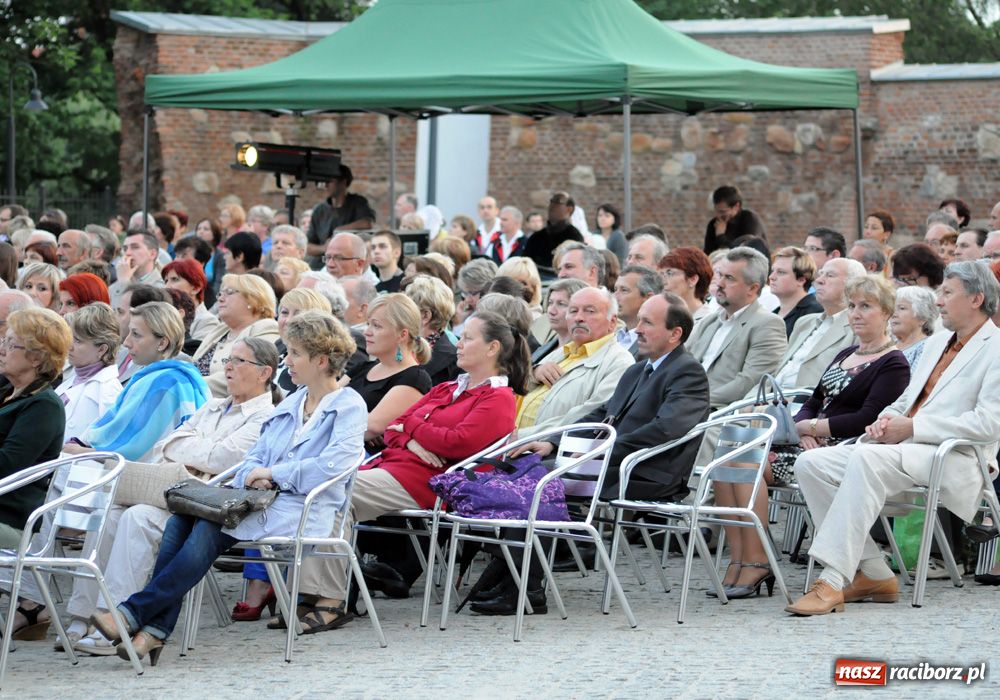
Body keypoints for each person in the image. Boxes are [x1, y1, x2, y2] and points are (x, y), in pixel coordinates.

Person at [92, 312, 366, 658]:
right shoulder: (293, 402)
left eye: (295, 353)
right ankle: (151, 630)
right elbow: (254, 457)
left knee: (209, 523)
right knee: (182, 519)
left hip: (306, 509)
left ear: (321, 360)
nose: (287, 361)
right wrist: (257, 472)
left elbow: (332, 466)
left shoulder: (348, 405)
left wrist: (274, 473)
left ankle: (135, 614)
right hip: (261, 501)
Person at [786, 261, 1000, 616]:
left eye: (947, 293)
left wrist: (912, 428)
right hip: (904, 449)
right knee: (811, 463)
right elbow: (906, 400)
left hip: (954, 457)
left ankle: (832, 579)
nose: (938, 300)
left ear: (976, 299)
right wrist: (885, 420)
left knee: (866, 458)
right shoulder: (937, 343)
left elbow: (988, 424)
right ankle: (874, 572)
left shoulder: (996, 348)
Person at [291, 310, 526, 629]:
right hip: (397, 468)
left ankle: (330, 599)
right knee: (319, 492)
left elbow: (456, 444)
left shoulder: (498, 398)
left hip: (432, 483)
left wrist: (412, 428)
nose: (458, 343)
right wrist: (413, 439)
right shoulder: (447, 388)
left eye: (467, 338)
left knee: (331, 492)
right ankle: (315, 595)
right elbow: (392, 429)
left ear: (492, 348)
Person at [715, 275, 908, 601]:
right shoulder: (846, 353)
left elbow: (867, 419)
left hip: (844, 449)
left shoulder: (893, 363)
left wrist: (813, 430)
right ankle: (740, 557)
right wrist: (801, 428)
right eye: (852, 306)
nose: (856, 313)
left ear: (887, 312)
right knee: (727, 463)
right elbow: (813, 401)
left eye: (866, 306)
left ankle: (758, 560)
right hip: (808, 442)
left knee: (746, 466)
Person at [0, 307, 72, 639]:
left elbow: (7, 465)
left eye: (11, 343)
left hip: (11, 518)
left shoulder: (44, 406)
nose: (2, 347)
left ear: (37, 358)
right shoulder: (7, 391)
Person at [517, 287, 633, 436]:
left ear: (612, 322)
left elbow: (589, 416)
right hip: (513, 440)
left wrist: (523, 436)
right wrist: (534, 372)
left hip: (544, 446)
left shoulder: (620, 362)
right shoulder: (562, 352)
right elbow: (515, 389)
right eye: (573, 311)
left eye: (590, 311)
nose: (579, 318)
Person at [687, 247, 787, 410]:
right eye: (720, 275)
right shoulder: (709, 322)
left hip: (716, 413)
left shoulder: (768, 324)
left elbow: (748, 382)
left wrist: (691, 401)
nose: (719, 283)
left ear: (752, 288)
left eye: (729, 278)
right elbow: (682, 363)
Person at [348, 294, 432, 449]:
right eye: (368, 324)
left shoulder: (414, 379)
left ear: (402, 335)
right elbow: (323, 404)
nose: (367, 332)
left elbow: (369, 427)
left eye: (376, 326)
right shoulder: (364, 367)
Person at [769, 258, 866, 391]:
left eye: (830, 275)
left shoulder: (858, 328)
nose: (819, 280)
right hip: (768, 396)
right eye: (820, 274)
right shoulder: (804, 323)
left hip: (803, 400)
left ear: (854, 285)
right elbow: (776, 372)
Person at [191, 274, 279, 398]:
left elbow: (246, 375)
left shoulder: (266, 327)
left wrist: (187, 385)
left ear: (252, 299)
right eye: (220, 294)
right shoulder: (220, 330)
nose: (220, 299)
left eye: (229, 292)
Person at [56, 303, 123, 442]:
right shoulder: (73, 379)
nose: (69, 345)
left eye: (78, 341)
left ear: (102, 349)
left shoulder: (108, 392)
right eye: (70, 337)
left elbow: (103, 445)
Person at [306, 165, 376, 268]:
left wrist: (339, 230)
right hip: (321, 264)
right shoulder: (319, 210)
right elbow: (308, 246)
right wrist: (325, 248)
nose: (325, 185)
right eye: (324, 182)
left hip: (348, 262)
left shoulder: (357, 202)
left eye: (329, 181)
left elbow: (367, 223)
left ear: (343, 182)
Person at [274, 287, 333, 396]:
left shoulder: (322, 361)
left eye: (298, 314)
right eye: (285, 312)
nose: (288, 320)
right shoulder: (279, 346)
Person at [402, 274, 460, 386]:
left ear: (425, 316)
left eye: (407, 309)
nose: (401, 314)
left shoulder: (452, 362)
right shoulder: (401, 345)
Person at [519, 192, 583, 273]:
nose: (552, 205)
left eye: (557, 202)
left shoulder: (575, 237)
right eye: (551, 201)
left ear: (569, 209)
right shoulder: (536, 237)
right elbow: (524, 263)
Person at [162, 258, 221, 341]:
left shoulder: (207, 321)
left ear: (196, 288)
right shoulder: (165, 316)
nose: (167, 286)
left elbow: (194, 349)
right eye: (166, 281)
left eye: (175, 279)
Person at [530, 278, 588, 362]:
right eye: (550, 302)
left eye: (561, 304)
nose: (551, 311)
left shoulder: (584, 352)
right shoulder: (543, 348)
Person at [769, 247, 822, 337]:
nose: (771, 277)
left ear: (801, 280)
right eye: (772, 270)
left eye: (781, 272)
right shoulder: (772, 314)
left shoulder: (815, 312)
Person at [657, 247, 714, 326]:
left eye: (669, 273)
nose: (663, 281)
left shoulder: (709, 322)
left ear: (693, 280)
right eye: (661, 274)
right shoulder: (662, 316)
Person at [613, 265, 662, 357]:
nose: (615, 296)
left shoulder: (656, 345)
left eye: (624, 290)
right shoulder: (612, 336)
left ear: (648, 298)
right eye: (615, 290)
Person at [703, 185, 766, 254]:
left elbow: (747, 252)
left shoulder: (750, 220)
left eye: (723, 211)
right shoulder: (714, 224)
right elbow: (707, 254)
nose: (718, 215)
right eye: (716, 211)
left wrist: (720, 236)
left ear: (736, 206)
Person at [108, 232, 164, 306]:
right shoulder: (113, 287)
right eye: (125, 249)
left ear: (152, 254)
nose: (127, 253)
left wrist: (123, 282)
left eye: (135, 247)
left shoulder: (161, 287)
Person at [890, 286, 939, 367]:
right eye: (892, 308)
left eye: (902, 308)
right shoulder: (886, 345)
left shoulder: (927, 349)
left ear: (922, 318)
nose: (893, 314)